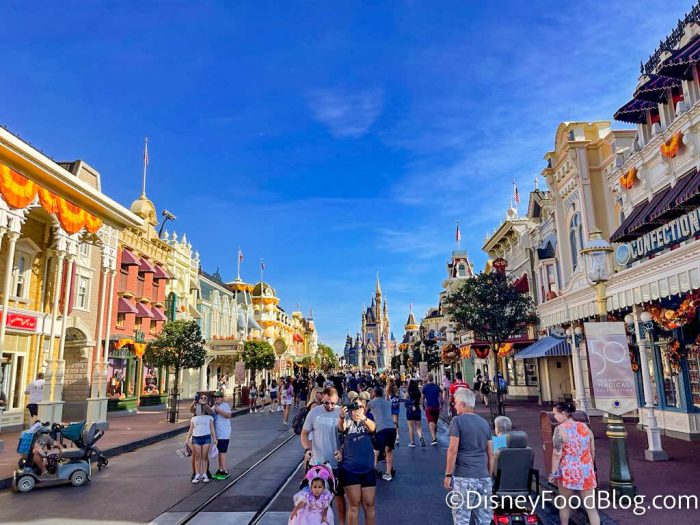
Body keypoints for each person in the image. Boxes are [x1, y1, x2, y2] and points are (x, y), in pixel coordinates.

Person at [443, 388, 494, 525]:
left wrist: (448, 475)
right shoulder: (484, 423)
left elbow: (452, 450)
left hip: (464, 478)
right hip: (483, 478)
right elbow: (490, 453)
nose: (454, 406)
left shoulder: (457, 421)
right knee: (484, 519)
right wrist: (488, 475)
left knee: (462, 518)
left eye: (455, 403)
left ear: (463, 404)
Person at [549, 401, 599, 525]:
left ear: (564, 413)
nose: (555, 417)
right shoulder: (584, 427)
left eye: (556, 414)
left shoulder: (559, 430)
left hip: (568, 471)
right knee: (591, 508)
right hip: (585, 470)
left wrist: (553, 473)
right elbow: (592, 449)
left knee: (565, 503)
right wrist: (589, 465)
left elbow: (557, 453)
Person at [301, 387, 345, 524]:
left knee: (339, 496)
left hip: (335, 464)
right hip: (317, 464)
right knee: (317, 499)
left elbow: (347, 436)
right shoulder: (314, 412)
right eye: (326, 402)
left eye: (332, 403)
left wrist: (341, 450)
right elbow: (304, 434)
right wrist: (307, 449)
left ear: (338, 400)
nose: (329, 406)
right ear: (322, 399)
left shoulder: (341, 412)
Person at [338, 394, 376, 525]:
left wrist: (364, 418)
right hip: (350, 469)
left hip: (368, 468)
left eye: (360, 407)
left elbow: (373, 428)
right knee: (354, 505)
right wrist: (341, 417)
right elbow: (341, 427)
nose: (357, 410)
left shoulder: (368, 418)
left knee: (369, 504)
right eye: (354, 407)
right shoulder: (347, 420)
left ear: (364, 408)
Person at [185, 393, 218, 484]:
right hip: (195, 437)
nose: (203, 399)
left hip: (206, 436)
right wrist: (195, 402)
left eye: (205, 398)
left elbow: (210, 413)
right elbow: (191, 410)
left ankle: (205, 473)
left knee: (204, 456)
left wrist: (215, 438)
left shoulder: (209, 412)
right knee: (196, 456)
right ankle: (196, 474)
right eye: (201, 398)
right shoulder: (195, 413)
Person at [368, 386, 395, 481]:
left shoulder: (371, 403)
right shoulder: (388, 403)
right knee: (389, 451)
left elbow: (365, 412)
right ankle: (388, 473)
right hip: (391, 428)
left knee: (376, 451)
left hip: (381, 428)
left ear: (374, 394)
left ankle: (373, 471)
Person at [212, 391, 232, 479]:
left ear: (222, 398)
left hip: (224, 433)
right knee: (219, 451)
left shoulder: (225, 405)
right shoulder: (214, 407)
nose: (216, 399)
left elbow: (229, 415)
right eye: (215, 397)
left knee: (222, 452)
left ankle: (225, 470)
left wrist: (219, 411)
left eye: (218, 397)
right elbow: (209, 411)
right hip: (218, 433)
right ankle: (220, 469)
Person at [421, 373, 441, 446]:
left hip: (429, 406)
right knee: (435, 422)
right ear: (433, 379)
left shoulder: (425, 387)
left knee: (430, 422)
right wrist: (441, 405)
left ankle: (434, 438)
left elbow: (422, 398)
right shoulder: (437, 387)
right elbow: (440, 397)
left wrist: (423, 405)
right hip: (436, 407)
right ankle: (434, 436)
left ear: (428, 379)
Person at [405, 380, 424, 447]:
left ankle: (412, 442)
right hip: (417, 409)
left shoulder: (408, 392)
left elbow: (405, 399)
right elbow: (420, 402)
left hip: (410, 410)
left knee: (411, 427)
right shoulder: (418, 392)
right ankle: (421, 438)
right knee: (418, 427)